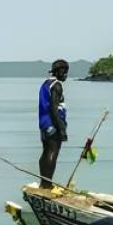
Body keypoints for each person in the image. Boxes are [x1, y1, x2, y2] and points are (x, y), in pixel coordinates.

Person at [38, 59, 69, 189]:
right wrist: (61, 129)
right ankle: (47, 184)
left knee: (45, 152)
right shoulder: (56, 85)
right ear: (60, 71)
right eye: (65, 72)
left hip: (43, 123)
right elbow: (54, 109)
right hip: (53, 124)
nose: (66, 75)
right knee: (53, 152)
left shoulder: (45, 84)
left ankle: (43, 183)